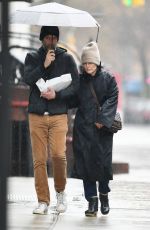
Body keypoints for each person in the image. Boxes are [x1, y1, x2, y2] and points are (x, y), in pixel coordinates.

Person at [23, 26, 79, 214]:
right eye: (48, 37)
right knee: (39, 160)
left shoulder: (67, 58)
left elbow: (76, 87)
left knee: (58, 155)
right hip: (36, 115)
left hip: (58, 114)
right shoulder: (32, 57)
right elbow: (28, 79)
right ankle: (43, 201)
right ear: (42, 39)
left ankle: (61, 193)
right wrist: (44, 65)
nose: (51, 41)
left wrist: (57, 95)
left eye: (54, 37)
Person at [72, 41, 119, 217]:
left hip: (102, 131)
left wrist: (103, 119)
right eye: (84, 63)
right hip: (83, 129)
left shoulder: (108, 79)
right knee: (85, 166)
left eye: (90, 63)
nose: (87, 66)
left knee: (103, 165)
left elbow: (113, 97)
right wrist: (56, 95)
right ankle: (91, 201)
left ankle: (104, 195)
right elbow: (72, 99)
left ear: (97, 62)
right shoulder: (79, 80)